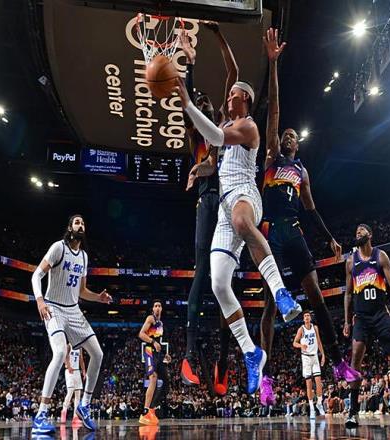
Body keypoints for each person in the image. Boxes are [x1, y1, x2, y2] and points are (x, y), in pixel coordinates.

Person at [175, 51, 302, 395]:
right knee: (218, 283)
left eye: (232, 93)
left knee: (242, 221)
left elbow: (216, 137)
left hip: (246, 195)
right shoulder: (224, 129)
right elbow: (213, 160)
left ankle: (281, 292)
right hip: (223, 209)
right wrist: (197, 169)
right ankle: (250, 352)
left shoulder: (248, 127)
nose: (227, 96)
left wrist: (187, 103)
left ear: (244, 97)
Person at [259, 27, 360, 406]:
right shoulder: (272, 158)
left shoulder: (301, 171)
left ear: (297, 143)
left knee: (316, 296)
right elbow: (274, 111)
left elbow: (312, 208)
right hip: (270, 233)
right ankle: (266, 378)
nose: (287, 136)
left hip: (295, 231)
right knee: (270, 305)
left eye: (292, 135)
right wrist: (273, 65)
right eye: (284, 134)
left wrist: (330, 237)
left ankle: (338, 362)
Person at [179, 21, 234, 394]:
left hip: (227, 204)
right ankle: (188, 354)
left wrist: (211, 43)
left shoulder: (225, 129)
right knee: (202, 273)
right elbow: (189, 98)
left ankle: (223, 363)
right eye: (198, 105)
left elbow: (231, 79)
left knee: (225, 282)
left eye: (206, 103)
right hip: (207, 202)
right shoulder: (197, 135)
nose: (202, 104)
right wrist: (190, 62)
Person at [31, 214, 112, 434]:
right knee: (59, 353)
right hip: (53, 307)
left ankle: (84, 405)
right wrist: (39, 300)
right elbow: (36, 275)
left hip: (73, 309)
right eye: (77, 222)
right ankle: (41, 414)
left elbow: (82, 291)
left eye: (83, 223)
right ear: (70, 228)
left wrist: (99, 298)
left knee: (98, 354)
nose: (81, 225)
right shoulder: (58, 248)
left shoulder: (84, 257)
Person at [343, 224, 390, 428]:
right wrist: (347, 320)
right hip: (361, 318)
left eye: (362, 230)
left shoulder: (380, 256)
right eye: (356, 231)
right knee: (355, 361)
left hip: (380, 314)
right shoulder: (351, 262)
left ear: (370, 235)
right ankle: (353, 412)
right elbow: (348, 293)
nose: (358, 232)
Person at [138, 301, 170, 425]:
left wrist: (165, 354)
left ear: (162, 309)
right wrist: (153, 342)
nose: (157, 308)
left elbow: (159, 341)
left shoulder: (161, 323)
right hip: (149, 351)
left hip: (158, 354)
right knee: (153, 378)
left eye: (159, 306)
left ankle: (152, 407)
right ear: (153, 309)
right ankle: (146, 411)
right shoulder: (150, 318)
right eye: (155, 306)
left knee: (166, 381)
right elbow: (141, 334)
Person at [292, 311, 326, 418]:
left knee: (318, 382)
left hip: (315, 356)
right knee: (309, 384)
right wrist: (301, 346)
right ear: (303, 319)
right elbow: (294, 342)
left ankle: (319, 403)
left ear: (310, 318)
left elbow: (319, 341)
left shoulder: (315, 328)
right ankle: (311, 407)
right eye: (305, 316)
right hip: (306, 357)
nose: (307, 317)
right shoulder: (301, 329)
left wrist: (323, 354)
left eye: (308, 315)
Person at [61, 343, 85, 425]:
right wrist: (68, 366)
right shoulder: (69, 345)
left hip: (77, 371)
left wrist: (84, 371)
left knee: (78, 395)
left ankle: (75, 416)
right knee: (70, 391)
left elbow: (81, 359)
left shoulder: (80, 347)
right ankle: (64, 410)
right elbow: (65, 357)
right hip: (69, 371)